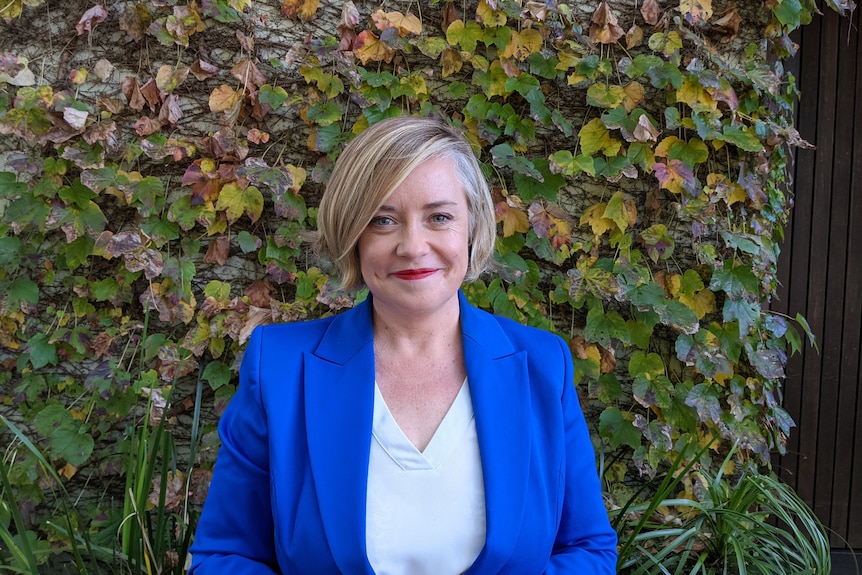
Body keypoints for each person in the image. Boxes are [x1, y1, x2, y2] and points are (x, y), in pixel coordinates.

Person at [189, 115, 618, 574]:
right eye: (383, 220)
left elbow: (587, 548)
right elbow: (225, 556)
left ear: (471, 227)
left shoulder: (541, 367)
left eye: (439, 217)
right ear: (353, 235)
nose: (413, 246)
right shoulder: (278, 368)